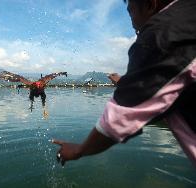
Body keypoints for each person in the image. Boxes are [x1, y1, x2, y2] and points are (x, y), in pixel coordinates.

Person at [52, 0, 196, 167]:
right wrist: (127, 84)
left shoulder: (162, 34)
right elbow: (164, 96)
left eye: (130, 12)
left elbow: (120, 117)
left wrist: (79, 150)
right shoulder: (188, 15)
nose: (132, 22)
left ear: (150, 5)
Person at [0, 71, 67, 111]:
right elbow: (19, 78)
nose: (38, 86)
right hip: (33, 92)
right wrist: (7, 76)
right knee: (32, 96)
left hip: (41, 92)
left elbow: (53, 75)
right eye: (37, 85)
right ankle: (32, 105)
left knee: (43, 97)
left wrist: (61, 73)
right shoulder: (32, 84)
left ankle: (44, 107)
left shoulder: (44, 82)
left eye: (39, 85)